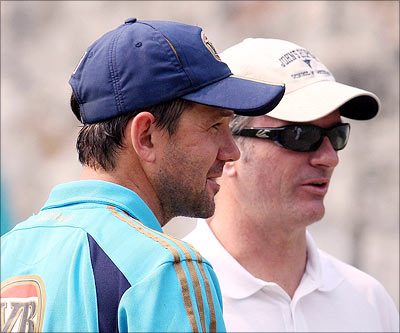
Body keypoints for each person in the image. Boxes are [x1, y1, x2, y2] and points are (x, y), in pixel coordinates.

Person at [0, 21, 285, 332]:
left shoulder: (9, 249)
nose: (232, 152)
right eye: (214, 127)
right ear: (146, 136)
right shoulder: (167, 268)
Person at [184, 38, 399, 332]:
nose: (329, 158)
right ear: (226, 146)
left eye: (337, 135)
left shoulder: (368, 301)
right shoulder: (167, 300)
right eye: (300, 135)